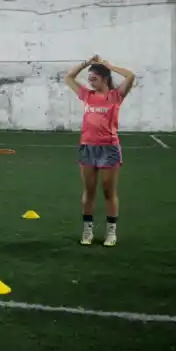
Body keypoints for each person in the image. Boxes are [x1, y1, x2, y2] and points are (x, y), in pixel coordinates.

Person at [64, 55, 136, 247]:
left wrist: (108, 65)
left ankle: (111, 232)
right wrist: (86, 63)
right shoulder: (86, 95)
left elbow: (130, 76)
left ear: (105, 78)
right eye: (89, 79)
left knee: (108, 191)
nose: (91, 82)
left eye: (94, 78)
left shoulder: (115, 96)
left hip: (109, 148)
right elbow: (69, 77)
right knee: (89, 191)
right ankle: (87, 230)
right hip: (87, 147)